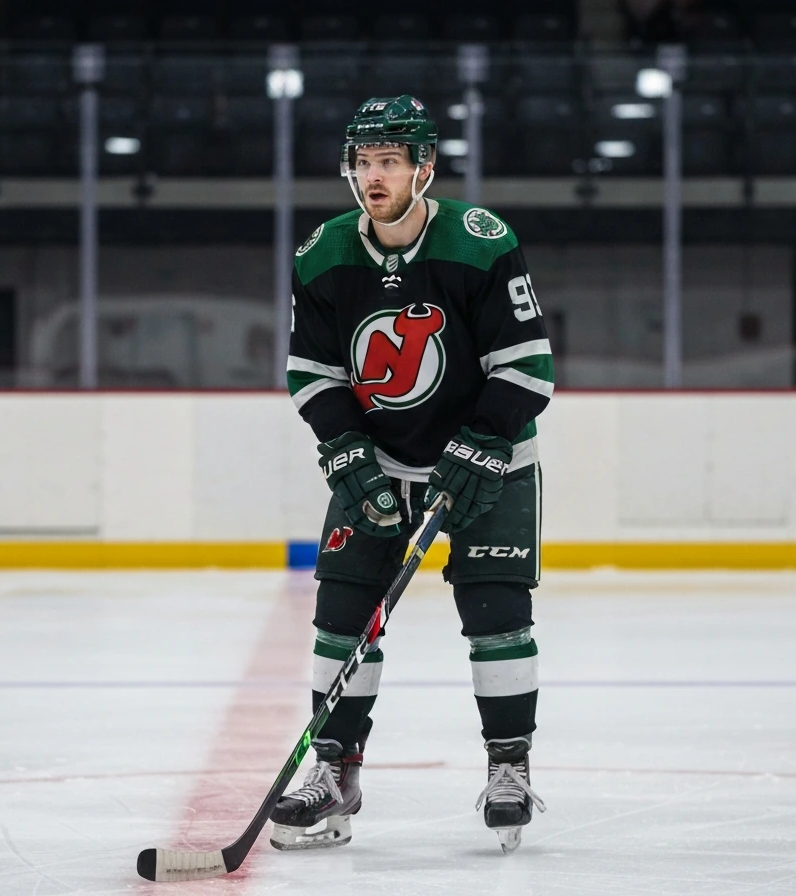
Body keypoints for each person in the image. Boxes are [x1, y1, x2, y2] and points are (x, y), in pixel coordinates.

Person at [272, 95, 553, 854]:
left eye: (390, 161)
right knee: (342, 614)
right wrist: (346, 448)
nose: (373, 175)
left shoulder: (478, 242)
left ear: (423, 168)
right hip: (381, 463)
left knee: (496, 615)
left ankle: (509, 768)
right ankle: (334, 770)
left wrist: (482, 438)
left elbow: (529, 366)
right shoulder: (323, 254)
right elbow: (312, 372)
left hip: (489, 459)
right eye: (363, 161)